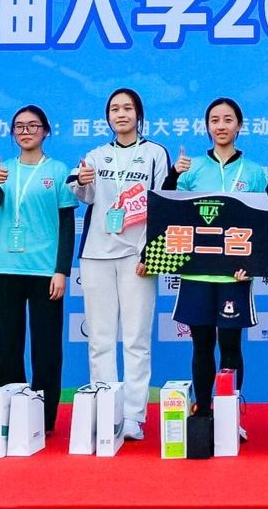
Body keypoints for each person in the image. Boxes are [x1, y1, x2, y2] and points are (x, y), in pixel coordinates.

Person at [68, 88, 170, 441]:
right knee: (100, 339)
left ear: (139, 114)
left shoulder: (155, 154)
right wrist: (82, 182)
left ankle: (133, 416)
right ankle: (105, 410)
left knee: (136, 339)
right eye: (115, 109)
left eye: (127, 108)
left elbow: (163, 205)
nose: (121, 114)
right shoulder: (96, 155)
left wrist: (151, 253)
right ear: (108, 117)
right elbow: (85, 196)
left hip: (136, 257)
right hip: (96, 254)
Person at [163, 97, 267, 437]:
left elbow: (260, 223)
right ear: (207, 127)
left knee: (231, 347)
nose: (221, 126)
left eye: (228, 119)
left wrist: (251, 264)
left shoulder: (254, 171)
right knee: (201, 345)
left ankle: (230, 415)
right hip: (196, 274)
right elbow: (169, 212)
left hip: (234, 277)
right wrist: (173, 175)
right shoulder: (191, 168)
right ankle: (204, 413)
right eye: (215, 120)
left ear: (239, 125)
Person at [0, 105, 76, 434]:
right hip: (6, 268)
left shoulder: (59, 170)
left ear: (45, 131)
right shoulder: (4, 169)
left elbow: (67, 225)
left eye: (33, 126)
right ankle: (9, 415)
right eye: (19, 127)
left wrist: (62, 270)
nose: (26, 132)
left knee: (46, 347)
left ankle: (43, 418)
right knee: (8, 344)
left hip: (45, 271)